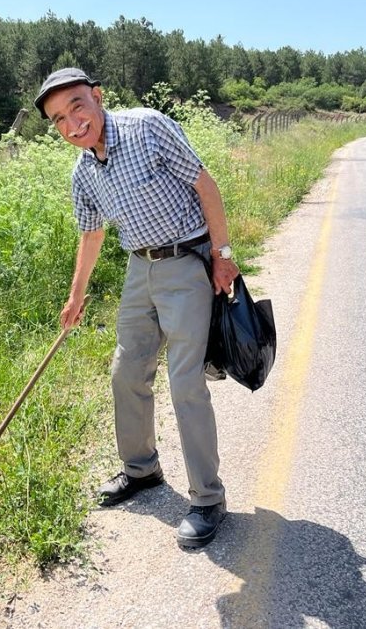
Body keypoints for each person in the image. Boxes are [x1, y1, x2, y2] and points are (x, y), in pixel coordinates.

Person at [35, 68, 239, 548]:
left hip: (188, 261)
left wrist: (223, 255)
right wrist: (75, 293)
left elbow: (205, 185)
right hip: (139, 268)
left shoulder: (147, 126)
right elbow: (92, 234)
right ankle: (141, 470)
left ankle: (208, 499)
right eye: (59, 119)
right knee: (126, 371)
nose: (72, 124)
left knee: (185, 380)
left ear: (98, 97)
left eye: (77, 107)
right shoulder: (83, 171)